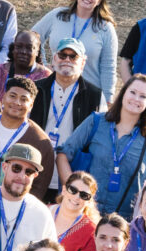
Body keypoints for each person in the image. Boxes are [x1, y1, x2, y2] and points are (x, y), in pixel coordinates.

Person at [58, 73, 146, 220]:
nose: (136, 99)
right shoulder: (96, 121)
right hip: (84, 214)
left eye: (143, 96)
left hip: (123, 222)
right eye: (132, 92)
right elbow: (63, 154)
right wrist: (74, 193)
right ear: (123, 93)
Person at [0, 78, 55, 197]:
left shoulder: (40, 142)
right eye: (12, 96)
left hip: (13, 207)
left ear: (31, 105)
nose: (17, 102)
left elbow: (39, 188)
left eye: (24, 99)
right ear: (3, 97)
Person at [32, 0, 119, 96]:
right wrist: (43, 65)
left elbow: (108, 67)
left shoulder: (105, 28)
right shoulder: (57, 15)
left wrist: (108, 98)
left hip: (88, 93)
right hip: (55, 88)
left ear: (99, 1)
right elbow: (32, 38)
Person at [32, 40, 103, 185]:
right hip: (35, 172)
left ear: (82, 63)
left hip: (72, 174)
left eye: (73, 57)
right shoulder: (36, 89)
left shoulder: (95, 96)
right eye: (62, 55)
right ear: (54, 59)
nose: (67, 60)